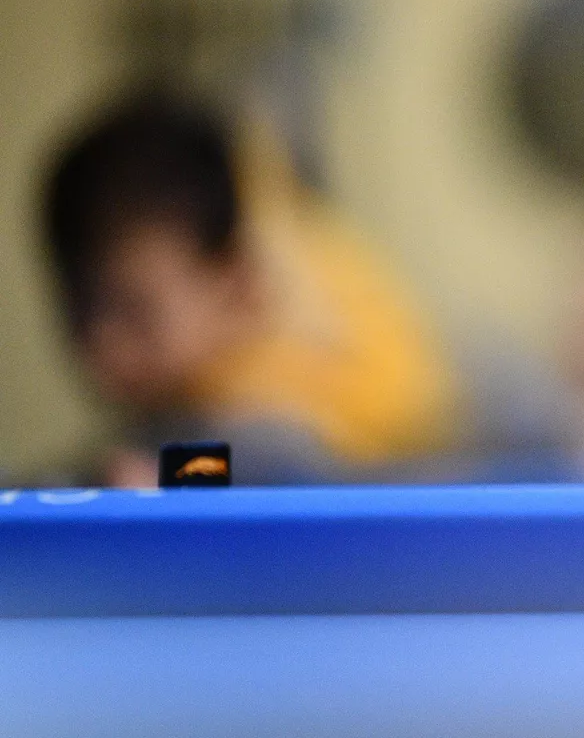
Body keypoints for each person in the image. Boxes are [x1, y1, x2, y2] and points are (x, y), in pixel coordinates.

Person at [42, 89, 465, 485]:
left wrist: (167, 475)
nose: (104, 345)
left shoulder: (276, 372)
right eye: (81, 308)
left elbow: (272, 464)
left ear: (235, 286)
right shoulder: (187, 394)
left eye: (135, 312)